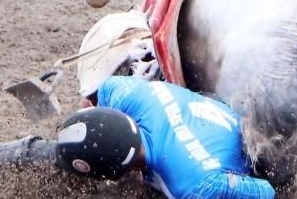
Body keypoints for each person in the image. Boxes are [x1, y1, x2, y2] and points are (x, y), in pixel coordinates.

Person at [56, 76, 275, 198]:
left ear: (114, 175)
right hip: (217, 116)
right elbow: (95, 98)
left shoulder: (194, 188)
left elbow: (267, 192)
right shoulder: (121, 90)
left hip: (240, 158)